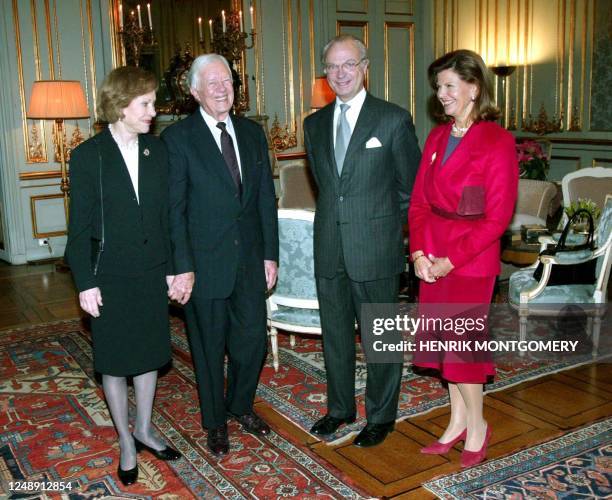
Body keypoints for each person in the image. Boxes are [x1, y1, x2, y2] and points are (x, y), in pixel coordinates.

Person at [303, 35, 421, 447]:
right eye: (332, 66)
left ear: (365, 66)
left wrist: (387, 232)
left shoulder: (392, 119)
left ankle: (381, 416)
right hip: (329, 249)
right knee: (334, 336)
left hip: (376, 250)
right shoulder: (313, 125)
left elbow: (411, 190)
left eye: (348, 64)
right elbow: (327, 188)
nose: (340, 73)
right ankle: (339, 409)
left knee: (381, 340)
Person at [66, 66, 181, 487]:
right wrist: (85, 282)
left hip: (151, 272)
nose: (154, 110)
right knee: (114, 362)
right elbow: (78, 229)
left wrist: (172, 270)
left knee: (150, 353)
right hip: (109, 274)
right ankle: (125, 441)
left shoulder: (159, 151)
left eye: (153, 102)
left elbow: (169, 219)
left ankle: (145, 429)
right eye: (146, 103)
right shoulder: (88, 156)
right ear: (121, 105)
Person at [161, 54, 279, 456]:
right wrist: (181, 267)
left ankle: (240, 404)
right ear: (194, 92)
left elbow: (265, 198)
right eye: (211, 83)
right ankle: (215, 422)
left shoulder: (252, 133)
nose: (221, 88)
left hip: (249, 260)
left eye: (226, 80)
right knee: (209, 349)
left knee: (252, 342)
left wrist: (270, 255)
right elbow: (173, 210)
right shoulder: (177, 139)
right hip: (203, 264)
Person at [408, 49, 518, 467]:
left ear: (474, 88)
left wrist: (449, 260)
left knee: (462, 350)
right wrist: (418, 252)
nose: (441, 95)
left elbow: (497, 218)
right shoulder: (437, 137)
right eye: (438, 87)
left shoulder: (497, 140)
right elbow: (418, 203)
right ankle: (456, 423)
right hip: (431, 255)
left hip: (470, 263)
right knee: (442, 347)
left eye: (450, 86)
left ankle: (478, 427)